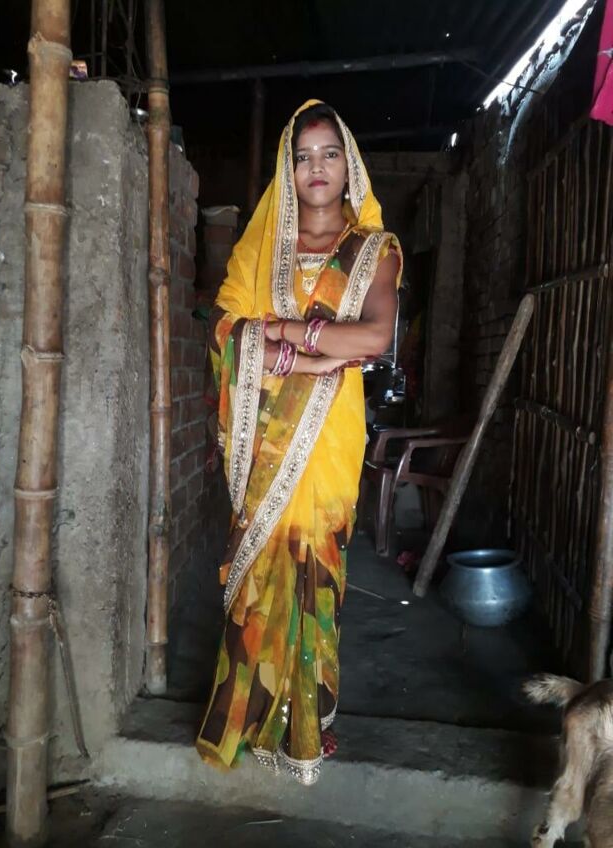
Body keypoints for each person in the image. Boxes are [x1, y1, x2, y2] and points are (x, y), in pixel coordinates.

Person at [196, 100, 404, 785]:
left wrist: (289, 335)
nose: (317, 168)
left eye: (329, 154)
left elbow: (374, 336)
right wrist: (312, 352)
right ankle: (249, 715)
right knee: (262, 572)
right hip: (268, 437)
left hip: (331, 436)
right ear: (288, 171)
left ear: (350, 166)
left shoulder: (374, 249)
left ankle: (303, 724)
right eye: (303, 156)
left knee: (317, 570)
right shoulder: (262, 247)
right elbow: (226, 330)